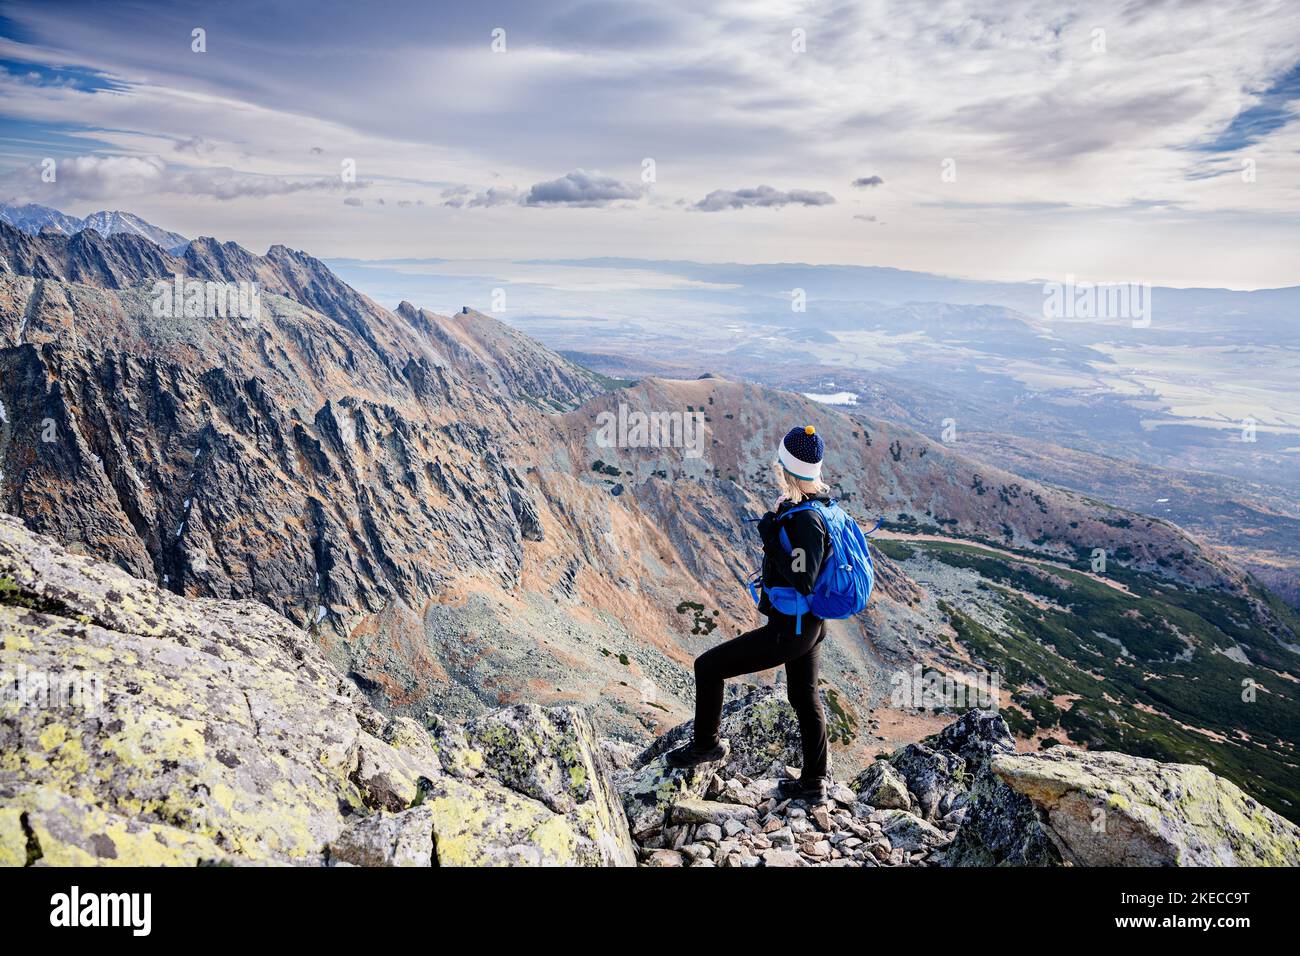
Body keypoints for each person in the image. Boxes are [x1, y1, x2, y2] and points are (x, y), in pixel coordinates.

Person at [665, 424, 833, 802]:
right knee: (804, 698)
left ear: (787, 467)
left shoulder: (806, 518)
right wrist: (779, 523)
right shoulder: (815, 505)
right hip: (808, 625)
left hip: (790, 630)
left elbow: (803, 575)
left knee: (708, 667)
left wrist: (772, 538)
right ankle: (813, 784)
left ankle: (706, 745)